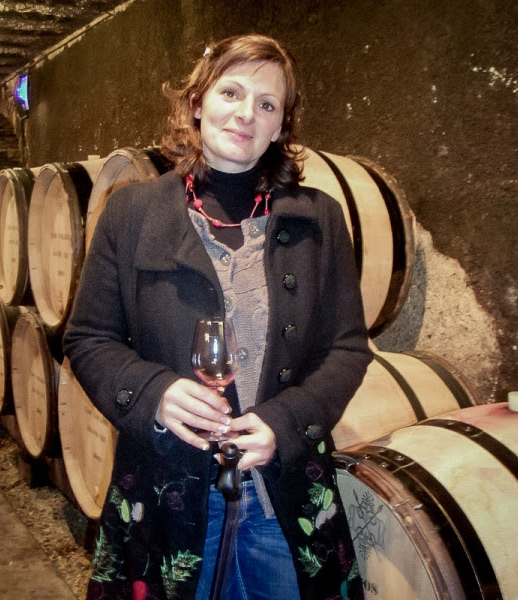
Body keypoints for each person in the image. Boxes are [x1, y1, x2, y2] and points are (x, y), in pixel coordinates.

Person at [63, 33, 373, 600]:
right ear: (196, 103)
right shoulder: (130, 213)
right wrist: (154, 393)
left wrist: (285, 423)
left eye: (267, 103)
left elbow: (347, 349)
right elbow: (88, 338)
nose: (246, 113)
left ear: (280, 127)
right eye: (231, 92)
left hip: (283, 494)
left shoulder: (319, 219)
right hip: (166, 488)